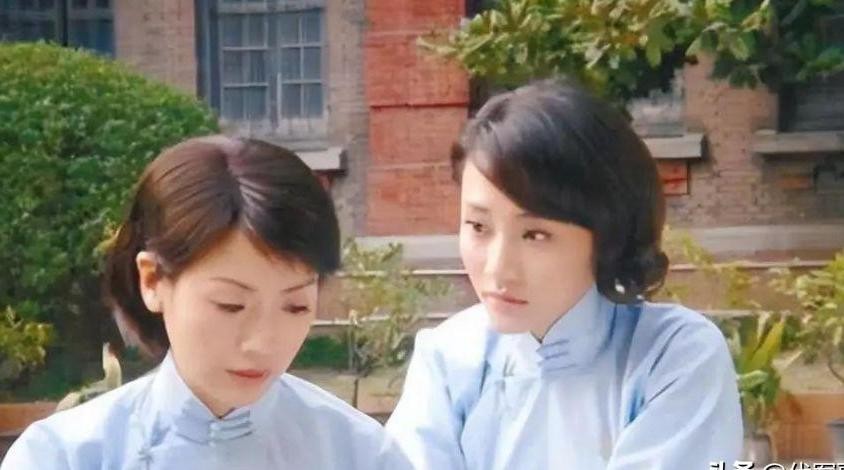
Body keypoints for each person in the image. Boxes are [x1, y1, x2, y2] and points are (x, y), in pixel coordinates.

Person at [385, 81, 742, 469]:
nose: (497, 268)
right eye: (478, 226)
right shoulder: (448, 357)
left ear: (608, 235)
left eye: (535, 235)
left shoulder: (673, 355)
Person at [2, 136, 412, 470]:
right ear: (153, 280)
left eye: (296, 306)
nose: (263, 343)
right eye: (230, 305)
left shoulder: (359, 454)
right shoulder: (64, 457)